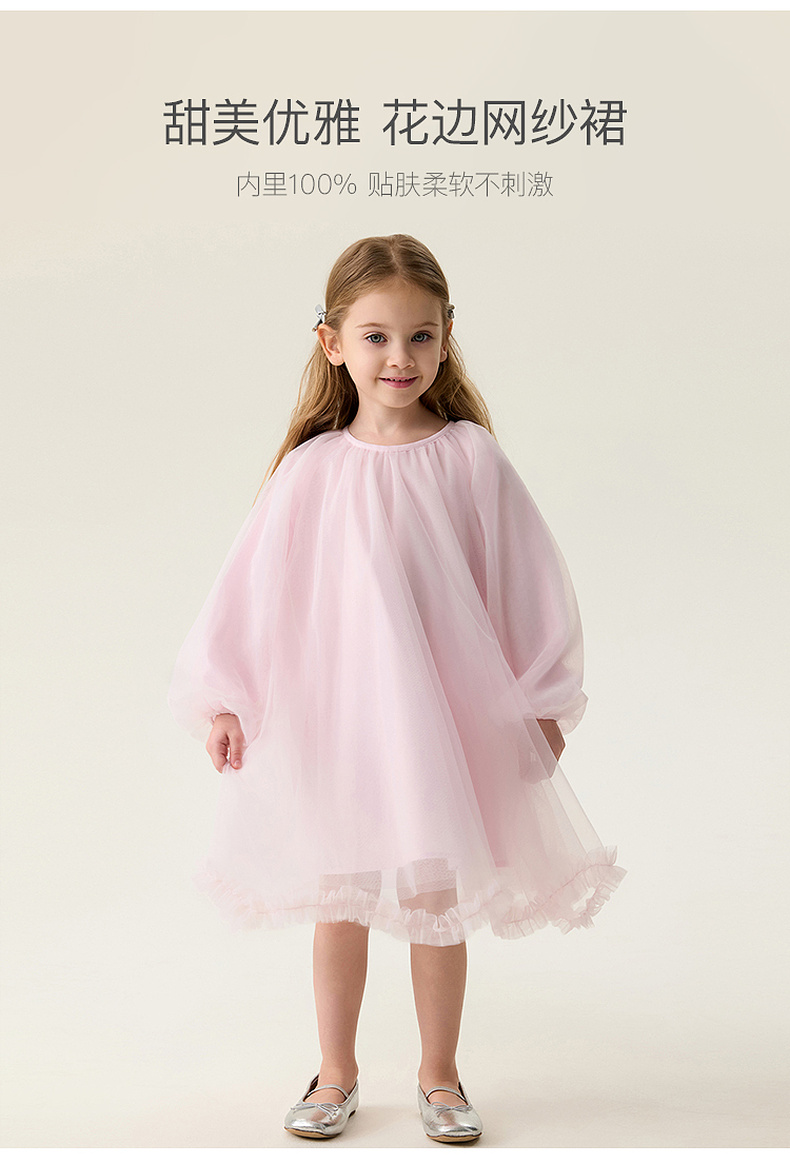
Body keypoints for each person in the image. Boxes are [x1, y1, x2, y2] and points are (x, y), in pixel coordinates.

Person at [167, 233, 627, 1143]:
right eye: (376, 336)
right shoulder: (312, 470)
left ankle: (439, 1075)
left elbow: (526, 580)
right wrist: (225, 697)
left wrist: (540, 702)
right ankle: (335, 1070)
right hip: (335, 719)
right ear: (332, 342)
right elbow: (253, 590)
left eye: (421, 336)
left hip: (437, 724)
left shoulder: (469, 458)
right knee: (340, 897)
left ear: (447, 337)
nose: (400, 357)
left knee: (432, 899)